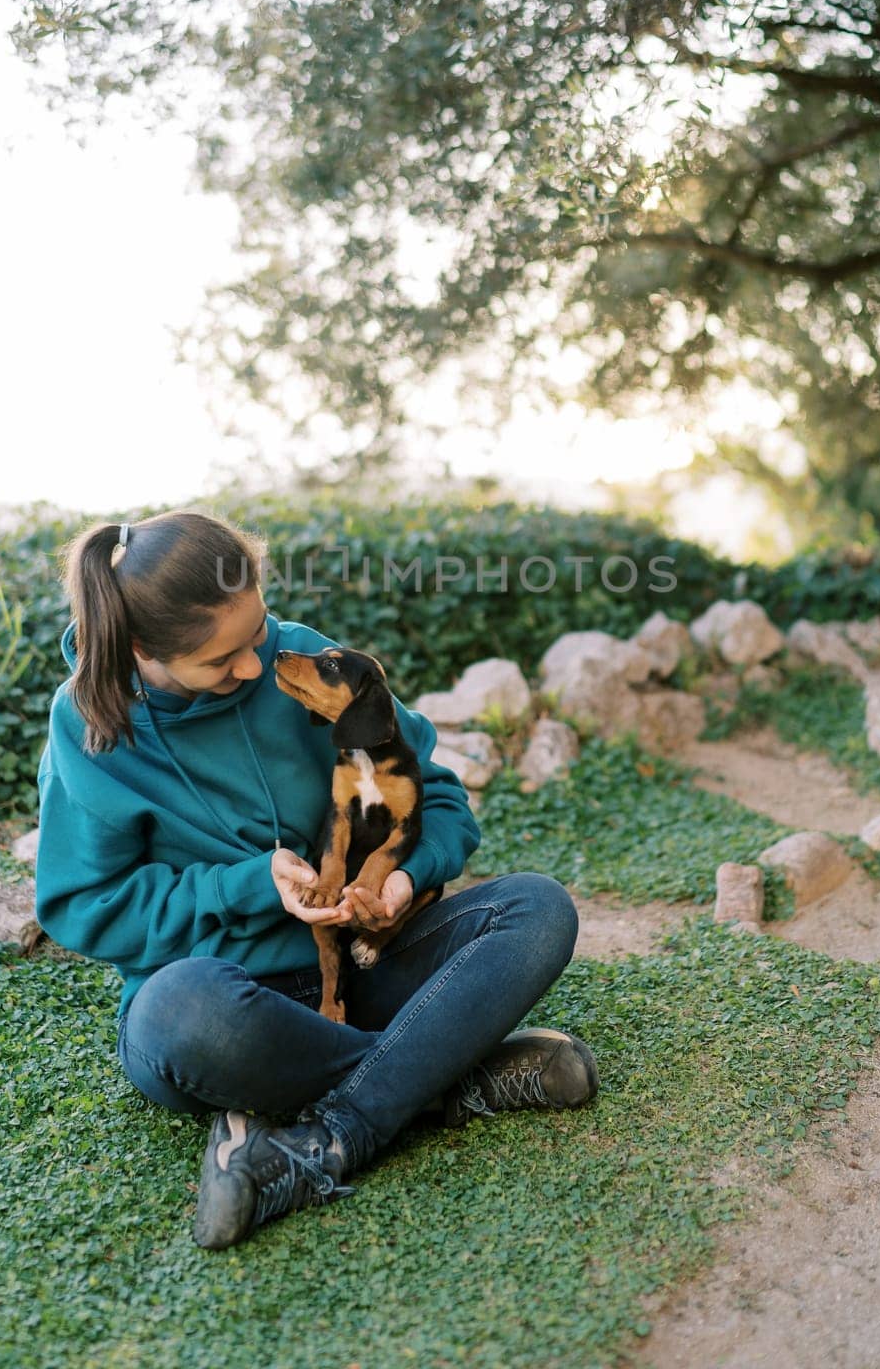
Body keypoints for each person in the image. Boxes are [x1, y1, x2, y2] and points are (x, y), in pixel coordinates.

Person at [35, 508, 598, 1251]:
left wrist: (403, 877)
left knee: (536, 907)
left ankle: (318, 1140)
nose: (253, 667)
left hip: (362, 968)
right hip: (230, 1005)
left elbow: (433, 796)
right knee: (177, 1014)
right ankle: (451, 1075)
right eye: (219, 660)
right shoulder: (90, 726)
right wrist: (245, 884)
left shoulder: (304, 661)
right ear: (142, 649)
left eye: (257, 632)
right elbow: (84, 908)